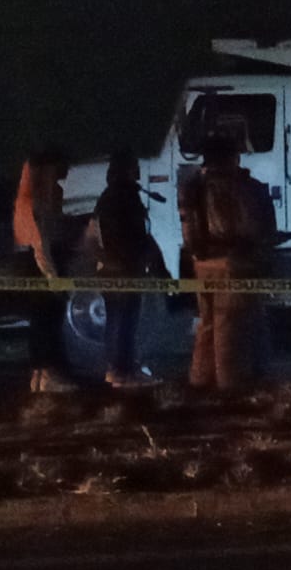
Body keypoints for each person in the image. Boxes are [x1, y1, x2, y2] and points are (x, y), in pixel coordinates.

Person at [179, 139, 277, 391]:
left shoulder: (192, 188)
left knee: (208, 322)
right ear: (232, 158)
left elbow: (188, 226)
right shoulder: (243, 187)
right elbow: (256, 226)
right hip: (233, 261)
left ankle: (200, 379)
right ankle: (230, 385)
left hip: (202, 263)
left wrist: (196, 253)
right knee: (230, 325)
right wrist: (257, 253)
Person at [94, 150, 166, 387]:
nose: (138, 170)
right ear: (126, 169)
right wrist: (151, 264)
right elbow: (137, 236)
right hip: (123, 268)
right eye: (134, 165)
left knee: (120, 319)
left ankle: (120, 369)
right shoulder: (123, 197)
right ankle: (120, 371)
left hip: (114, 267)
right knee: (123, 320)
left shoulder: (110, 196)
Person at [13, 149, 75, 393]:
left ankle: (39, 376)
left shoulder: (27, 200)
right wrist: (53, 278)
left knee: (40, 321)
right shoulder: (35, 202)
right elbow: (41, 244)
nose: (62, 173)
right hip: (41, 266)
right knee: (47, 320)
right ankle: (49, 374)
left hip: (32, 266)